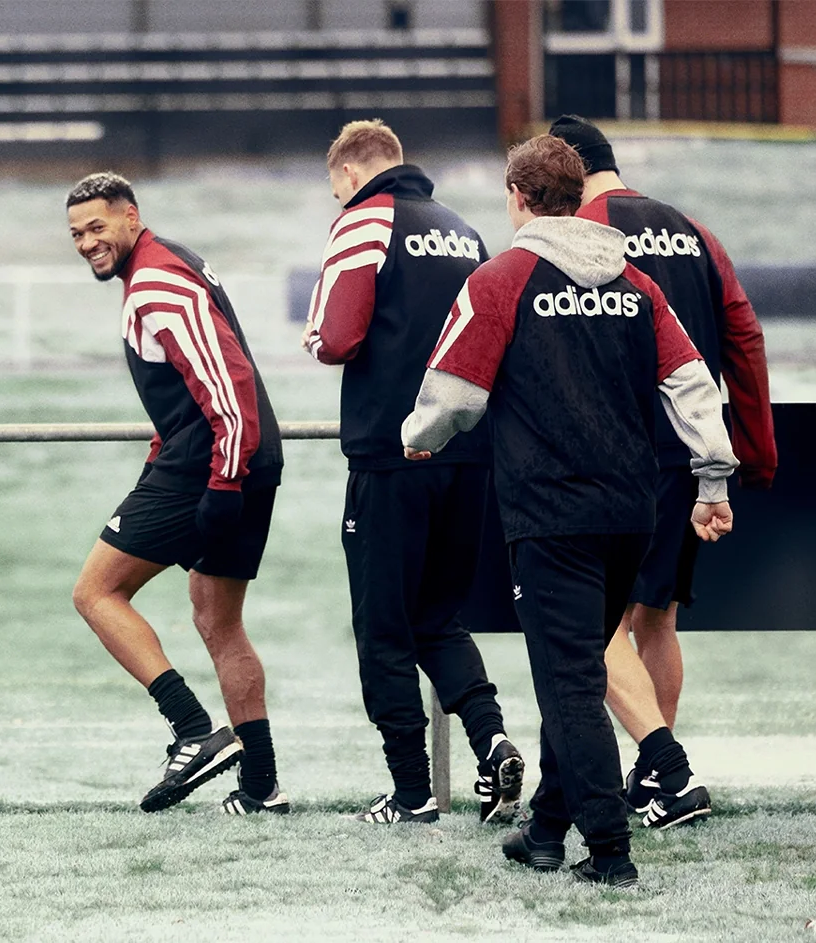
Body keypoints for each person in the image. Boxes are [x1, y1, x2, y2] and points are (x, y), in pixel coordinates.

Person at [401, 134, 738, 888]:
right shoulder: (635, 282)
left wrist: (418, 436)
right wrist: (713, 481)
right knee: (579, 666)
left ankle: (610, 852)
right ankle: (546, 830)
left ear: (518, 198)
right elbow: (693, 385)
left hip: (551, 513)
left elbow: (455, 394)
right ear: (582, 197)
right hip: (632, 511)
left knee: (569, 683)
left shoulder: (503, 277)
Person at [550, 114, 778, 829]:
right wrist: (756, 447)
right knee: (657, 617)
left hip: (614, 455)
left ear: (564, 169)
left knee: (591, 622)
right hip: (689, 455)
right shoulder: (691, 229)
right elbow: (742, 332)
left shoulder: (578, 229)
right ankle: (655, 781)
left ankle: (662, 768)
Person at [301, 119, 523, 825]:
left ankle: (411, 791)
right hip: (469, 452)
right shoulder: (465, 230)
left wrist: (313, 336)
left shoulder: (362, 221)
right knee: (438, 617)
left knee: (384, 628)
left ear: (349, 172)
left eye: (334, 183)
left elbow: (334, 336)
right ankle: (491, 745)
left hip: (391, 456)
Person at [64, 172, 287, 815]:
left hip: (214, 463)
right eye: (77, 234)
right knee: (219, 620)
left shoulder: (158, 279)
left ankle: (193, 731)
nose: (86, 243)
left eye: (97, 227)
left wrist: (220, 481)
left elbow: (229, 379)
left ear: (131, 217)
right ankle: (262, 785)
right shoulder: (168, 264)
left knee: (96, 592)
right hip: (233, 457)